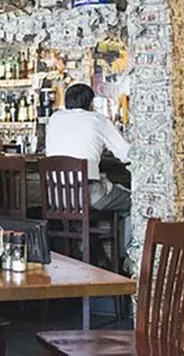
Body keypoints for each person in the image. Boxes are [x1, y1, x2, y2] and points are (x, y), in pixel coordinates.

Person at [45, 83, 133, 252]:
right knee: (135, 201)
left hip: (56, 198)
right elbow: (125, 154)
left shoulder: (54, 118)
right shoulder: (97, 119)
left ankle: (89, 251)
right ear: (91, 103)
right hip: (89, 196)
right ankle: (127, 257)